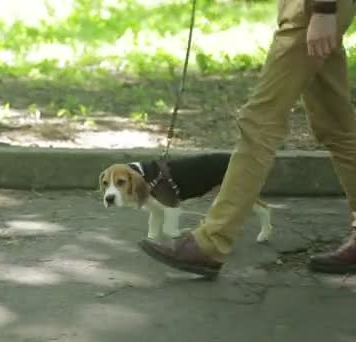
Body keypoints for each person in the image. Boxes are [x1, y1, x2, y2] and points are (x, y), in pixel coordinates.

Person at [139, 0, 356, 278]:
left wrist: (324, 9)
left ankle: (211, 243)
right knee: (337, 126)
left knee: (259, 123)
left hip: (311, 8)